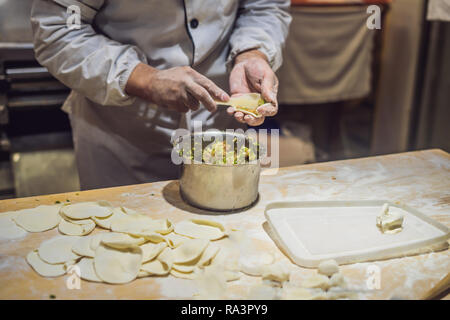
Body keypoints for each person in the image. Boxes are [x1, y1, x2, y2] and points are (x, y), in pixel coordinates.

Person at [31, 0, 291, 189]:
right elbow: (60, 29)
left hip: (220, 125)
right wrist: (145, 79)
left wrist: (252, 52)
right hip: (123, 135)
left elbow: (264, 6)